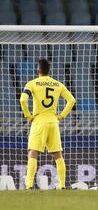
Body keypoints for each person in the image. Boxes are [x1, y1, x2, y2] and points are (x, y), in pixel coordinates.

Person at [20, 59, 76, 189]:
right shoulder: (57, 84)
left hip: (38, 122)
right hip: (53, 121)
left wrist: (28, 116)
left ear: (38, 70)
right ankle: (62, 185)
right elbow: (72, 100)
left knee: (33, 153)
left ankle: (29, 185)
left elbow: (23, 100)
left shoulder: (32, 84)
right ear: (49, 71)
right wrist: (61, 116)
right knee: (58, 155)